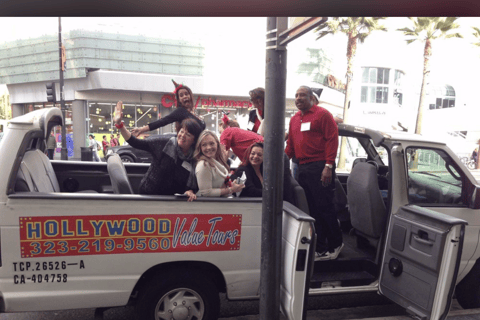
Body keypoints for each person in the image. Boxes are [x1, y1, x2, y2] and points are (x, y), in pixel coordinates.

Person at [285, 85, 343, 261]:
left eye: (302, 95)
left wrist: (328, 166)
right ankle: (321, 247)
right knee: (311, 209)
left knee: (324, 207)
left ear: (311, 98)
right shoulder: (294, 119)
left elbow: (332, 140)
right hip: (301, 168)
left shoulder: (322, 114)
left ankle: (335, 244)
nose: (298, 98)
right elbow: (291, 147)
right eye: (296, 95)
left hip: (320, 167)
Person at [114, 101, 202, 201]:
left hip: (174, 202)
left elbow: (193, 183)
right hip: (149, 196)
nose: (182, 136)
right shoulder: (164, 143)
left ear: (194, 140)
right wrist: (120, 125)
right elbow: (136, 143)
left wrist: (190, 190)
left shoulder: (195, 157)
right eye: (182, 131)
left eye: (188, 135)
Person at [131, 80, 206, 137]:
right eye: (181, 95)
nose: (185, 96)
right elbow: (162, 121)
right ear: (179, 100)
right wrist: (141, 130)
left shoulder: (193, 113)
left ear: (190, 95)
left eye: (186, 94)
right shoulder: (180, 112)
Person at [194, 131, 244, 197]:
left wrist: (233, 185)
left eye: (212, 144)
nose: (208, 147)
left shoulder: (216, 161)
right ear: (200, 148)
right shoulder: (203, 165)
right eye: (204, 145)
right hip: (211, 206)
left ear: (217, 144)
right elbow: (206, 192)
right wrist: (231, 189)